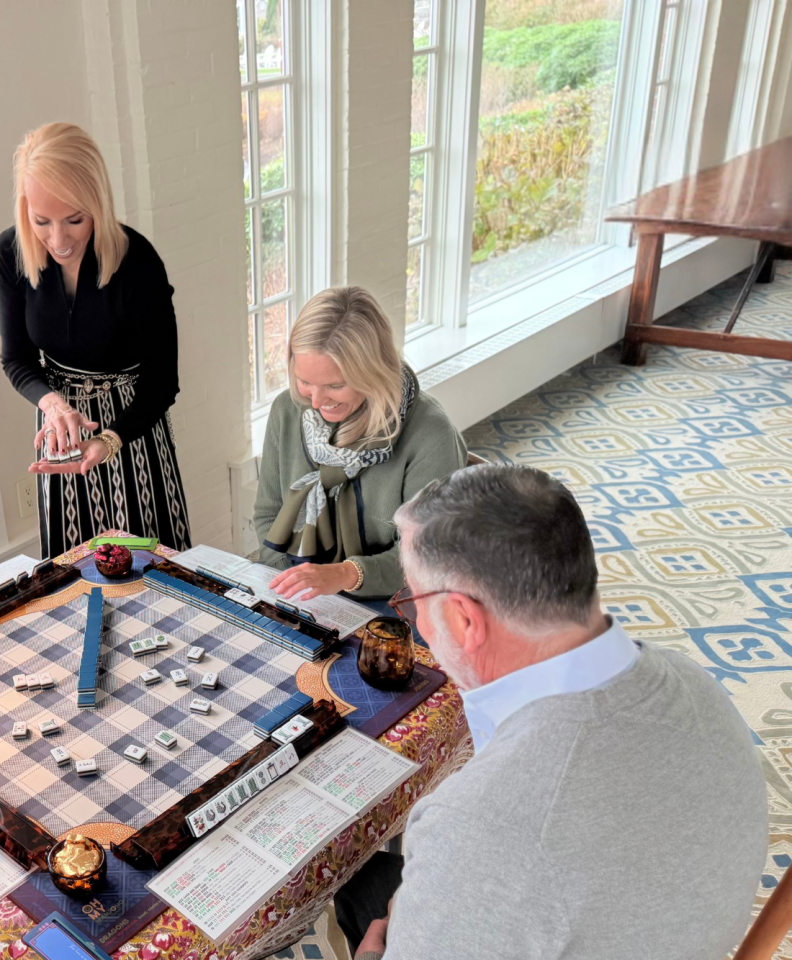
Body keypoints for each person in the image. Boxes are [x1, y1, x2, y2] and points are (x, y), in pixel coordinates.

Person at [335, 465, 766, 960]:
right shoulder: (694, 678)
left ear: (463, 618)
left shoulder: (479, 825)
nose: (418, 625)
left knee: (357, 879)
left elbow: (511, 841)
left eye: (412, 604)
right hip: (680, 929)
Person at [0, 121, 191, 557]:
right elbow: (17, 360)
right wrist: (53, 403)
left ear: (97, 204)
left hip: (131, 428)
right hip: (62, 429)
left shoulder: (138, 262)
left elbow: (162, 380)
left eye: (75, 219)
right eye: (41, 221)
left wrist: (109, 440)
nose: (58, 240)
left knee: (152, 570)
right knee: (74, 573)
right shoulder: (10, 254)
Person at [254, 286, 465, 601]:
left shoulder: (431, 435)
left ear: (373, 371)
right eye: (304, 381)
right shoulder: (288, 409)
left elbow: (428, 557)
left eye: (335, 385)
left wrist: (344, 576)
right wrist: (288, 586)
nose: (315, 401)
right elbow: (268, 514)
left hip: (398, 600)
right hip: (305, 598)